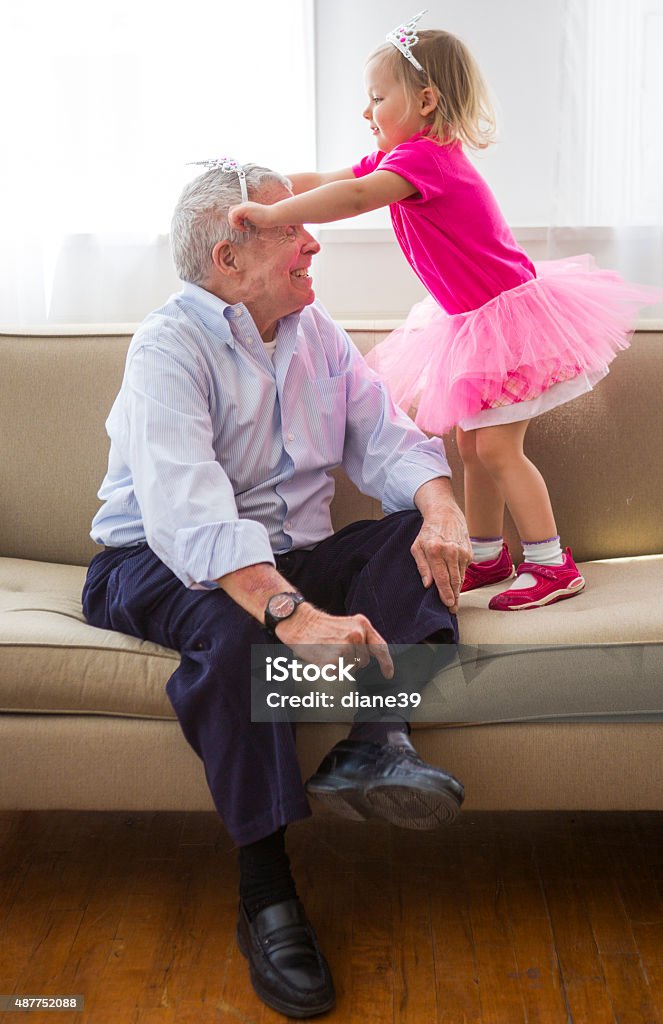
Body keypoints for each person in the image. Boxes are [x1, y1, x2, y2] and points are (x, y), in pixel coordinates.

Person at [82, 158, 472, 1018]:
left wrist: (443, 508)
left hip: (286, 554)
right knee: (238, 639)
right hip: (154, 557)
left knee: (411, 537)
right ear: (230, 255)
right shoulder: (168, 346)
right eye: (290, 227)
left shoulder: (313, 329)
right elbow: (189, 521)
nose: (312, 239)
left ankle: (377, 739)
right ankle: (265, 893)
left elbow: (388, 438)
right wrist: (293, 615)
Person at [228, 12, 662, 613]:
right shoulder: (403, 161)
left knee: (499, 450)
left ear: (425, 100)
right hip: (469, 322)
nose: (366, 111)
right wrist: (263, 190)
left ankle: (551, 562)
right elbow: (331, 177)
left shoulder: (424, 162)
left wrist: (275, 218)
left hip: (508, 323)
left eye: (377, 98)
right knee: (470, 445)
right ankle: (488, 553)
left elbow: (351, 197)